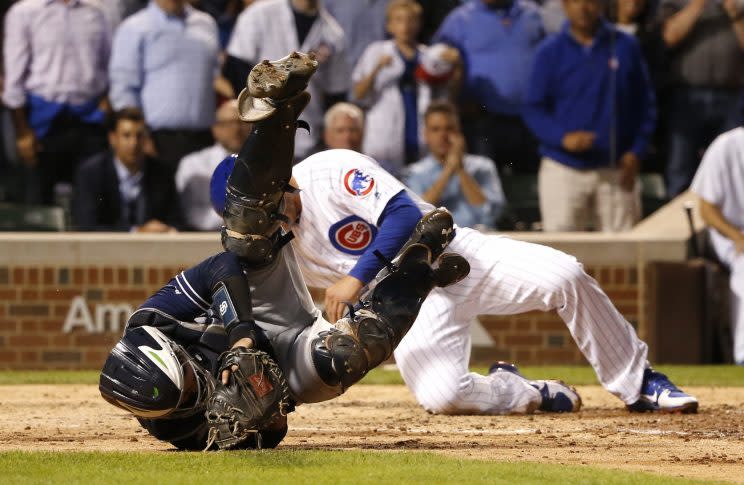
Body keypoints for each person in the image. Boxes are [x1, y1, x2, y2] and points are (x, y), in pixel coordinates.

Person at [99, 51, 470, 451]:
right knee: (350, 352)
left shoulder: (153, 321)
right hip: (282, 356)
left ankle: (278, 108)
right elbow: (273, 432)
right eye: (188, 395)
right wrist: (261, 402)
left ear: (169, 351)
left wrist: (241, 336)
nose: (194, 388)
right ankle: (420, 265)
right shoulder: (176, 428)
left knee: (245, 237)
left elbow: (221, 266)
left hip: (256, 303)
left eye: (187, 379)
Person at [211, 138, 699, 416]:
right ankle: (525, 391)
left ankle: (640, 383)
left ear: (273, 182)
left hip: (454, 253)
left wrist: (355, 281)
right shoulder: (274, 241)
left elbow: (403, 215)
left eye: (260, 210)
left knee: (565, 275)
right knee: (443, 396)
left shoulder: (330, 170)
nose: (262, 223)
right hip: (405, 304)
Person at [523, 0, 656, 232]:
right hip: (563, 168)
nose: (584, 7)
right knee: (561, 257)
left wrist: (636, 151)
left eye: (591, 1)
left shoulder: (625, 46)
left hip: (616, 168)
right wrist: (562, 137)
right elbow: (533, 108)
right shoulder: (549, 51)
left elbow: (646, 105)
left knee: (621, 258)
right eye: (576, 1)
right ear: (564, 5)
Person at [3, 0, 111, 205]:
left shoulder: (98, 11)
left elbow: (110, 63)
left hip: (89, 120)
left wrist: (106, 101)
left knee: (93, 203)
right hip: (41, 122)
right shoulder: (24, 12)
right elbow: (14, 81)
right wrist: (22, 132)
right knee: (36, 205)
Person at [225, 0, 350, 159]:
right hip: (259, 130)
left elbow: (336, 93)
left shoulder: (334, 34)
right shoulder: (258, 15)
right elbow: (235, 69)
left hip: (309, 134)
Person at [433, 0, 545, 174]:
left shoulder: (533, 14)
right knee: (485, 183)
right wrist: (457, 100)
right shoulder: (460, 19)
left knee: (531, 184)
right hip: (482, 120)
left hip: (531, 118)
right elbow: (435, 65)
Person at [109, 0, 221, 171]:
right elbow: (123, 88)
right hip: (157, 140)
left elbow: (215, 78)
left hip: (204, 138)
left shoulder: (207, 23)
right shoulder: (134, 27)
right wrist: (140, 137)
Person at [659, 0, 744, 197]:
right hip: (686, 97)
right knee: (681, 168)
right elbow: (668, 37)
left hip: (732, 97)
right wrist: (699, 4)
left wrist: (735, 15)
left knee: (732, 167)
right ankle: (680, 224)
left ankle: (727, 223)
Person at [72, 108, 182, 232]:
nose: (134, 143)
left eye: (139, 136)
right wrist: (137, 232)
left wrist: (167, 229)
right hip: (104, 250)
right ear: (113, 139)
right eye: (126, 135)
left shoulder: (162, 172)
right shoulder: (91, 173)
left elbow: (176, 221)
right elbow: (88, 226)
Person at [690, 126, 744, 365]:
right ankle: (743, 354)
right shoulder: (727, 145)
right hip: (728, 234)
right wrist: (737, 236)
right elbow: (707, 210)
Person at [405, 101, 505, 230]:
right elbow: (419, 213)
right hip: (439, 245)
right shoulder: (414, 172)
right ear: (426, 134)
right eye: (436, 129)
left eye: (449, 129)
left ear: (459, 132)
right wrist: (449, 170)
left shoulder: (483, 167)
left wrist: (460, 169)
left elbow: (490, 214)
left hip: (481, 238)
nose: (443, 136)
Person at [176, 100, 252, 231]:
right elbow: (190, 213)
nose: (236, 129)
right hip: (203, 239)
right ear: (215, 129)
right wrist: (241, 218)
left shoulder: (265, 163)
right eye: (229, 124)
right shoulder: (192, 164)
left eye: (242, 123)